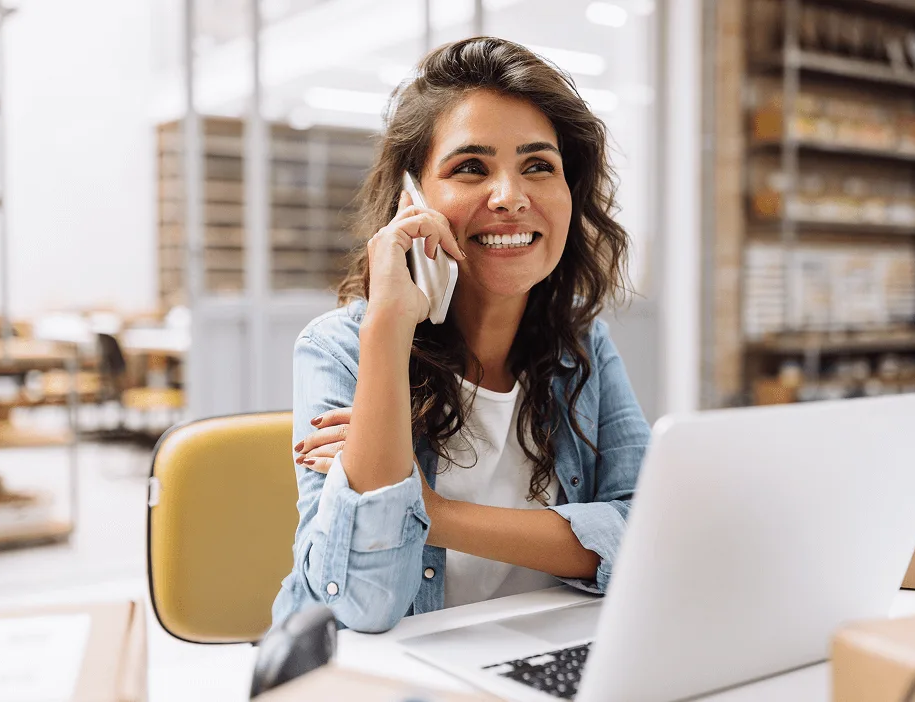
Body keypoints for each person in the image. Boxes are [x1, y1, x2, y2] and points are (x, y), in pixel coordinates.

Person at [270, 36, 650, 634]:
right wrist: (388, 328)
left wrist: (432, 513)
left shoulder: (581, 346)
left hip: (531, 659)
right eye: (471, 167)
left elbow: (649, 536)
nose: (510, 197)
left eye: (538, 166)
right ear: (411, 198)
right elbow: (364, 606)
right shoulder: (342, 349)